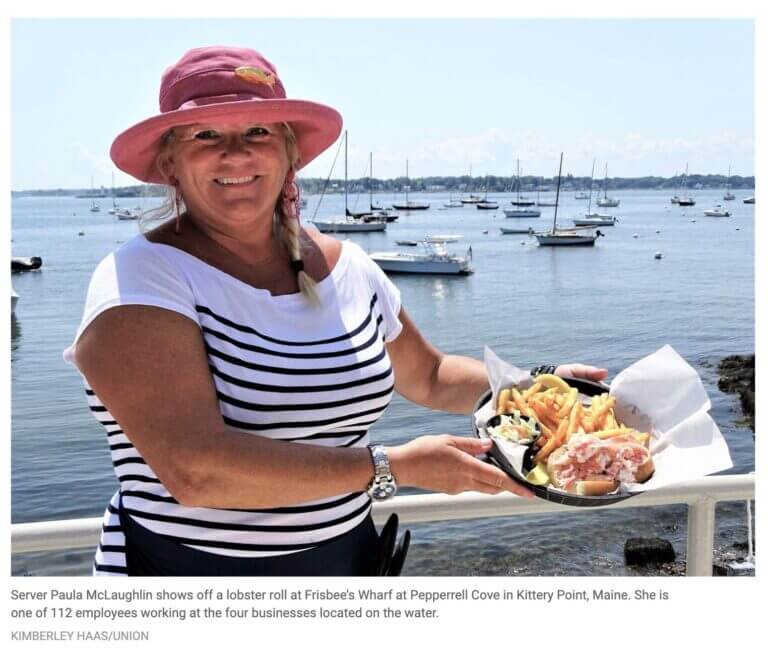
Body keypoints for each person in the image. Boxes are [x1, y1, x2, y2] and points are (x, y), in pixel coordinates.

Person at [63, 46, 608, 576]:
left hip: (345, 564)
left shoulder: (349, 265)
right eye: (206, 135)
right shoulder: (141, 279)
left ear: (290, 151)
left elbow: (430, 375)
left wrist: (539, 386)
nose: (236, 152)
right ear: (170, 162)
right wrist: (395, 468)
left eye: (258, 131)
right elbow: (197, 472)